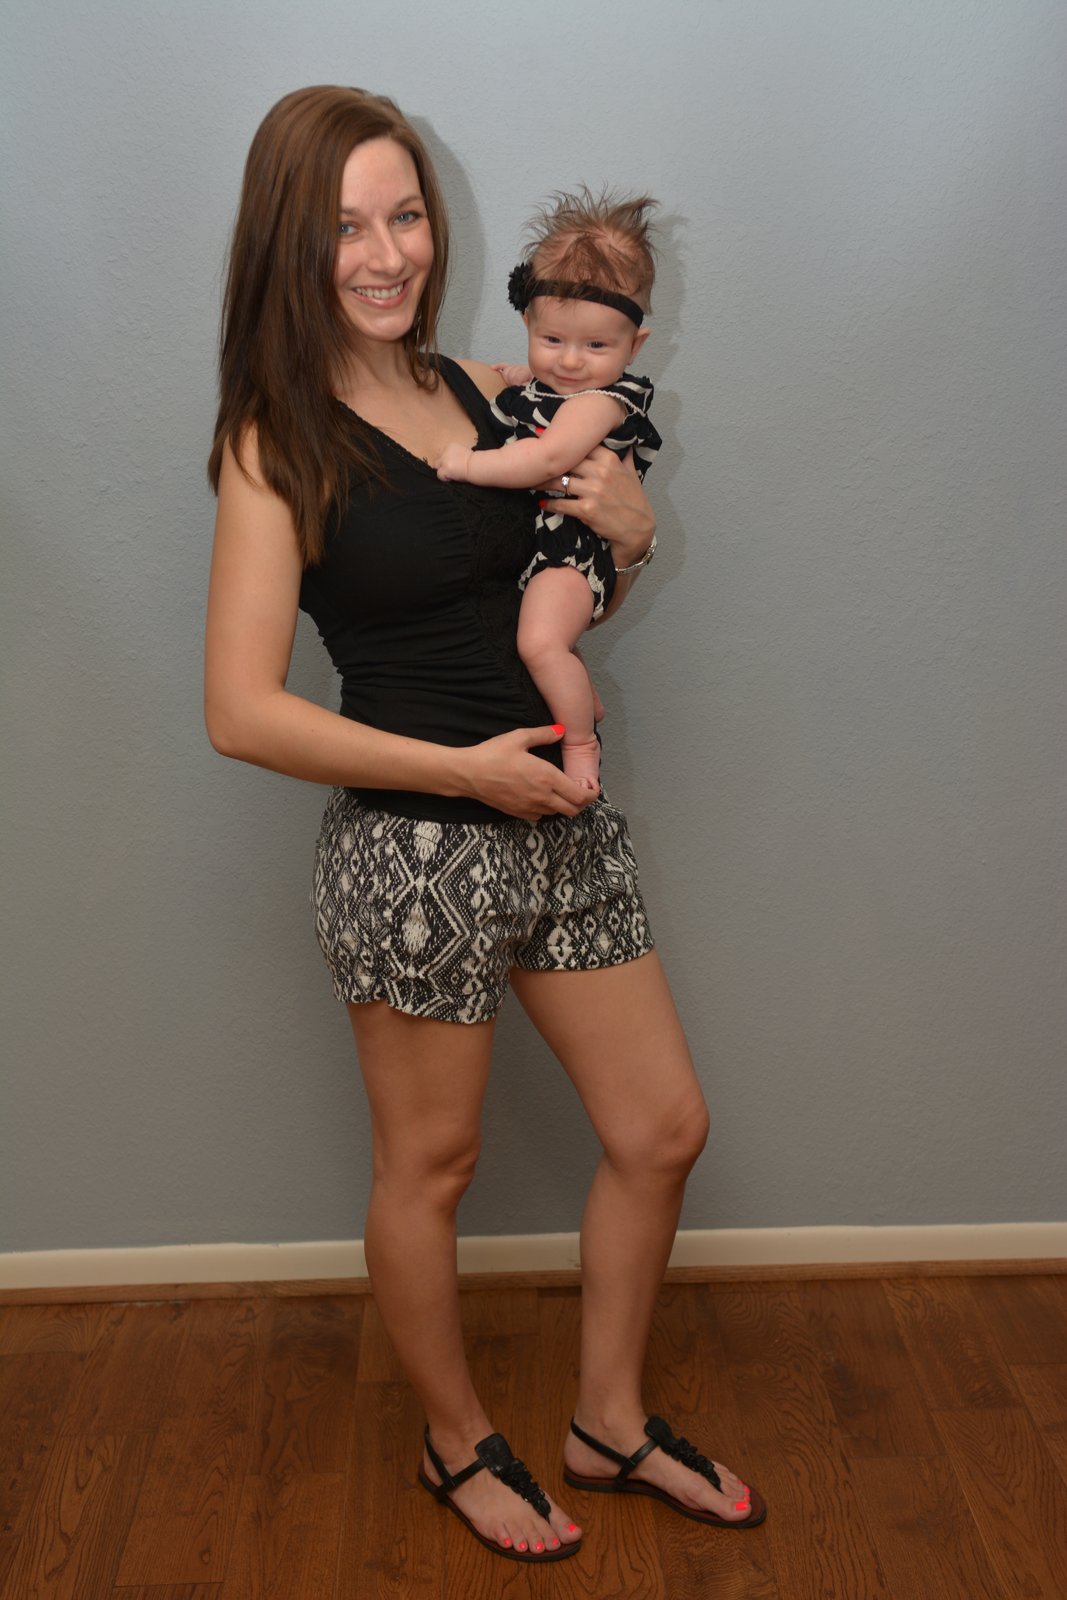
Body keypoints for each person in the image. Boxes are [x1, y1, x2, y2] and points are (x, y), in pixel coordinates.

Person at [204, 84, 764, 1566]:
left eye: (405, 214)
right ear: (287, 242)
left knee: (660, 1128)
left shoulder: (484, 389)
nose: (386, 252)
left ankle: (606, 1422)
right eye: (345, 226)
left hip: (556, 817)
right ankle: (455, 1445)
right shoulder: (273, 441)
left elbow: (555, 584)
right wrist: (466, 775)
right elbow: (239, 713)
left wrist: (632, 539)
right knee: (432, 1170)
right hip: (414, 845)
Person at [438, 189, 662, 793]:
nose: (570, 363)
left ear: (635, 346)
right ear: (529, 325)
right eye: (553, 341)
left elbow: (549, 456)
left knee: (538, 641)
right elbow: (537, 393)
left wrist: (467, 463)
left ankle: (581, 740)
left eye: (596, 346)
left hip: (572, 553)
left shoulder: (603, 402)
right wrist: (519, 376)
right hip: (541, 547)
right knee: (535, 632)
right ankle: (577, 686)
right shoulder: (558, 385)